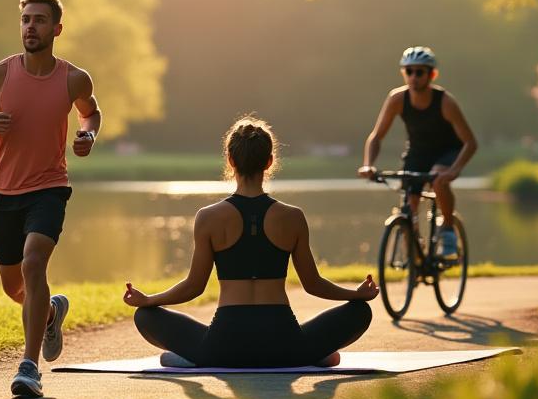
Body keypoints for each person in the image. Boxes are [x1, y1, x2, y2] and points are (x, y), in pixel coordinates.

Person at [124, 118, 377, 368]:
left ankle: (197, 357)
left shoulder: (208, 217)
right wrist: (356, 295)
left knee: (145, 316)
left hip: (223, 345)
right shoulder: (292, 217)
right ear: (269, 162)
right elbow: (313, 284)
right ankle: (310, 355)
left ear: (231, 161)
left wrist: (148, 301)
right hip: (284, 343)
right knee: (360, 312)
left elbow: (194, 287)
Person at [0, 0, 101, 398]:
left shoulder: (74, 77)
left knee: (33, 262)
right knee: (14, 287)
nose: (31, 26)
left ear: (56, 29)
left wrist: (87, 135)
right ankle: (51, 312)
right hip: (3, 193)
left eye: (40, 20)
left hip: (49, 187)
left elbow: (91, 111)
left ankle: (29, 368)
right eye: (26, 19)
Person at [357, 46, 477, 257]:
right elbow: (376, 136)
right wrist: (368, 164)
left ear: (432, 74)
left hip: (447, 151)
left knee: (439, 178)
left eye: (419, 72)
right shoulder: (397, 99)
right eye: (408, 71)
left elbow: (470, 142)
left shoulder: (445, 102)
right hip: (418, 153)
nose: (413, 77)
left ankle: (448, 228)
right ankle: (414, 249)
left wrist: (455, 170)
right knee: (409, 205)